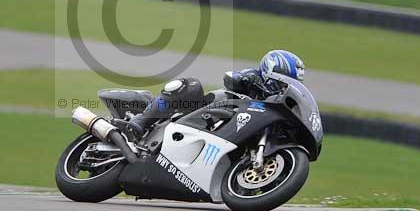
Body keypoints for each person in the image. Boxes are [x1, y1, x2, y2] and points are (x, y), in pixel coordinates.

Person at [121, 50, 305, 139]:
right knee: (190, 85)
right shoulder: (253, 75)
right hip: (205, 112)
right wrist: (248, 81)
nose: (283, 86)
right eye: (282, 80)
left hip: (228, 134)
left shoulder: (279, 102)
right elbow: (229, 78)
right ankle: (141, 121)